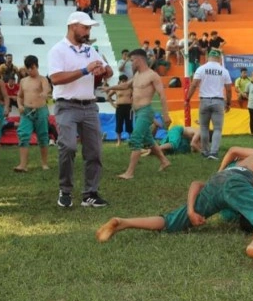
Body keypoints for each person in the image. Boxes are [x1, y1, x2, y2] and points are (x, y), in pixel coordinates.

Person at [95, 146, 253, 271]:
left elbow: (233, 150)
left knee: (173, 220)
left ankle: (123, 222)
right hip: (237, 182)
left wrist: (220, 173)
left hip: (221, 178)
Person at [48, 12, 112, 207]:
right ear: (72, 26)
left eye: (89, 28)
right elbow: (56, 78)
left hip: (90, 106)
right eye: (85, 27)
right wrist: (86, 70)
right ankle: (65, 190)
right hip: (66, 106)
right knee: (68, 146)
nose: (88, 31)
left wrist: (103, 70)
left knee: (95, 151)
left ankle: (90, 193)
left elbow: (109, 71)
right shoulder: (58, 50)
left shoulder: (90, 50)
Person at [104, 50, 170, 179]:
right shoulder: (137, 75)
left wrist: (165, 115)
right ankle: (164, 161)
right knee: (148, 139)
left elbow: (162, 95)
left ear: (139, 60)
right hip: (138, 112)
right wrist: (109, 88)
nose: (131, 63)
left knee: (136, 139)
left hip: (146, 110)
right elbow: (126, 86)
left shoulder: (152, 75)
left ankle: (129, 173)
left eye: (132, 60)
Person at [186, 50, 232, 160]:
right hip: (218, 101)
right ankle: (214, 152)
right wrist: (228, 102)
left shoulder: (201, 69)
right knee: (217, 129)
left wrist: (188, 98)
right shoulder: (224, 70)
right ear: (219, 58)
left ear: (208, 57)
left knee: (204, 128)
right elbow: (229, 89)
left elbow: (193, 85)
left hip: (204, 100)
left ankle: (205, 151)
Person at [14, 56, 50, 173]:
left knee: (43, 137)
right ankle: (23, 165)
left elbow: (46, 89)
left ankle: (44, 163)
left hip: (40, 110)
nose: (30, 70)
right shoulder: (23, 81)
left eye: (32, 68)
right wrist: (19, 105)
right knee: (23, 135)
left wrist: (44, 93)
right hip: (26, 111)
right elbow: (19, 96)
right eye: (28, 68)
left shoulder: (42, 79)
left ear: (37, 66)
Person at [106, 75, 133, 146]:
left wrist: (133, 104)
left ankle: (131, 139)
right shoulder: (116, 88)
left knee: (129, 123)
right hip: (119, 107)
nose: (124, 82)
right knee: (119, 123)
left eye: (125, 81)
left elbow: (135, 96)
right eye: (122, 81)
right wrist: (113, 105)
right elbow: (108, 96)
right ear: (120, 81)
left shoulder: (130, 88)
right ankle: (119, 141)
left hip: (129, 107)